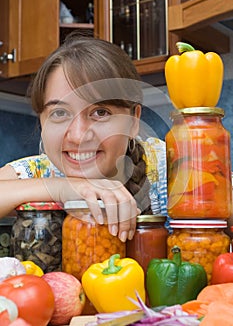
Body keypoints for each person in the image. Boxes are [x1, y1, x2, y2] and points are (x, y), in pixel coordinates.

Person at [0, 34, 167, 242]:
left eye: (100, 112)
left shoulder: (166, 166)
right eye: (60, 113)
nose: (78, 136)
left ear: (133, 121)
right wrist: (61, 188)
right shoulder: (41, 172)